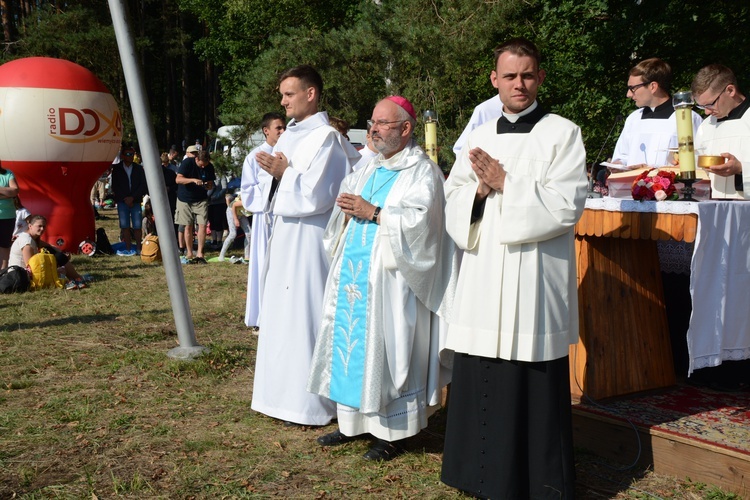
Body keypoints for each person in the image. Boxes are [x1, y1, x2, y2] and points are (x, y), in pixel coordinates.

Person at [440, 38, 587, 499]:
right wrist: (480, 193)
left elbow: (567, 205)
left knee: (533, 376)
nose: (518, 84)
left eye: (527, 75)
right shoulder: (478, 137)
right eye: (509, 76)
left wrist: (507, 182)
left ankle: (538, 481)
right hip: (486, 272)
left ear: (540, 77)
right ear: (494, 81)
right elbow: (453, 203)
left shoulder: (563, 133)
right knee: (481, 366)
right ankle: (477, 474)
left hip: (534, 273)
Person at [308, 96, 457, 461]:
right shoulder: (367, 166)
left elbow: (425, 225)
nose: (373, 129)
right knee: (350, 345)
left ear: (406, 129)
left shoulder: (422, 172)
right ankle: (351, 424)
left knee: (388, 350)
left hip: (393, 281)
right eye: (372, 122)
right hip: (355, 277)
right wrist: (346, 213)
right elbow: (345, 208)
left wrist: (373, 212)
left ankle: (393, 434)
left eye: (383, 124)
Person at [251, 64, 360, 426]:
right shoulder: (289, 136)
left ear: (310, 94)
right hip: (286, 233)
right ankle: (278, 396)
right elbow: (276, 188)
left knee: (305, 311)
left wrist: (285, 174)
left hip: (310, 237)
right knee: (282, 311)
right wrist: (276, 177)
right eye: (282, 95)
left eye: (289, 94)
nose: (282, 102)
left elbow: (321, 194)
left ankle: (309, 403)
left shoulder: (326, 138)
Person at [610, 58, 702, 170]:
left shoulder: (686, 117)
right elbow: (622, 156)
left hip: (672, 186)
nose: (628, 94)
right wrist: (617, 165)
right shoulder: (634, 119)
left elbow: (700, 157)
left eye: (632, 88)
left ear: (653, 86)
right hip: (633, 185)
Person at [240, 112, 286, 327]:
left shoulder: (288, 152)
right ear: (266, 130)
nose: (282, 131)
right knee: (263, 264)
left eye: (284, 127)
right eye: (278, 128)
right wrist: (271, 179)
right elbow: (248, 191)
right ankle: (261, 315)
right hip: (265, 217)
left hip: (285, 215)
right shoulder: (255, 156)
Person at [692, 64, 749, 199]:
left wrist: (741, 169)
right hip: (713, 208)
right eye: (701, 106)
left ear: (730, 90)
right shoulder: (706, 125)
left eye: (710, 104)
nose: (706, 111)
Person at [10, 214, 87, 289]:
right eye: (39, 226)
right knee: (59, 258)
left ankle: (74, 277)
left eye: (44, 226)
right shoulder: (27, 241)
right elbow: (30, 266)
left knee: (55, 253)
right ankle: (75, 278)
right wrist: (54, 270)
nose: (42, 229)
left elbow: (47, 245)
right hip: (22, 277)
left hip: (27, 273)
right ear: (30, 226)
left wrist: (58, 250)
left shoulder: (32, 238)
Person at [175, 148, 216, 264]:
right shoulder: (187, 163)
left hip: (201, 200)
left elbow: (211, 184)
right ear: (196, 159)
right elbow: (178, 179)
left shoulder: (209, 167)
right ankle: (189, 252)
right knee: (188, 226)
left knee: (202, 225)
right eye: (201, 165)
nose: (203, 167)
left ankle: (200, 253)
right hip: (185, 199)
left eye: (205, 165)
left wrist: (208, 185)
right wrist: (193, 180)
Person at [111, 144, 148, 256]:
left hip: (135, 201)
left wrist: (133, 198)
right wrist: (125, 198)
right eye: (128, 154)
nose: (130, 156)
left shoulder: (138, 169)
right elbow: (115, 186)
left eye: (132, 154)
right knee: (125, 226)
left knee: (137, 226)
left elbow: (142, 185)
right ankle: (127, 248)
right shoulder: (117, 169)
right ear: (122, 156)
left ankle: (138, 248)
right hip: (122, 201)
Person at [218, 193, 251, 262]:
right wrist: (236, 219)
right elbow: (234, 205)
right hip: (232, 211)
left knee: (249, 234)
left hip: (241, 213)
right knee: (233, 234)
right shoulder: (246, 201)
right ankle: (221, 255)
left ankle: (247, 255)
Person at [0, 159, 19, 269]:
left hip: (7, 216)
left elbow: (15, 190)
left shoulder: (8, 174)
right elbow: (11, 192)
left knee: (4, 245)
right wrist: (6, 193)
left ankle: (2, 273)